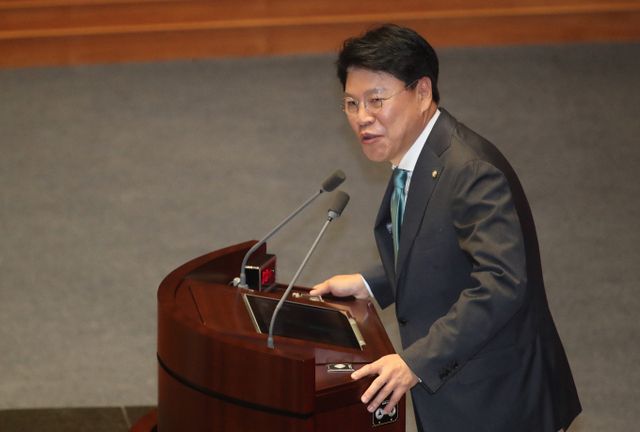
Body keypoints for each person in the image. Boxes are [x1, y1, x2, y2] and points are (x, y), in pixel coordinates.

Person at [310, 24, 581, 431]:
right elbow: (437, 244)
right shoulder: (417, 156)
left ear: (422, 92)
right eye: (351, 103)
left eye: (376, 100)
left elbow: (501, 284)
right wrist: (371, 284)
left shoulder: (470, 170)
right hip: (465, 398)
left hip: (502, 404)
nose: (362, 117)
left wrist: (415, 362)